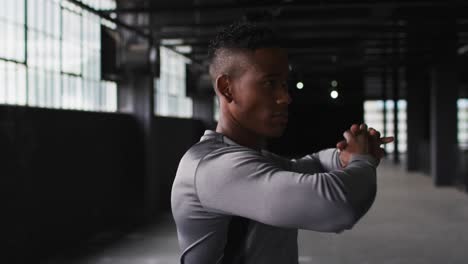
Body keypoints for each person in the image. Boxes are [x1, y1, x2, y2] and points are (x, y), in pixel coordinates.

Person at [171, 21, 394, 264]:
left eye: (284, 84)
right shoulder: (212, 168)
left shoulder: (253, 159)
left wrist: (343, 157)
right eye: (269, 83)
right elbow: (339, 206)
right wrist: (362, 159)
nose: (285, 97)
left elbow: (311, 165)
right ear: (227, 88)